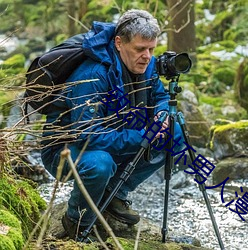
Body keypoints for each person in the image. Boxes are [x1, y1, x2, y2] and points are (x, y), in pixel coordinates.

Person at [41, 9, 184, 241]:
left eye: (151, 49)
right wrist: (142, 137)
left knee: (175, 132)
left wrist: (162, 115)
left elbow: (160, 97)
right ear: (119, 43)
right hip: (66, 149)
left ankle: (115, 193)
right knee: (100, 164)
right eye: (140, 49)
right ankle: (76, 221)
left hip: (115, 134)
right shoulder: (93, 75)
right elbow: (87, 136)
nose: (147, 56)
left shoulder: (145, 65)